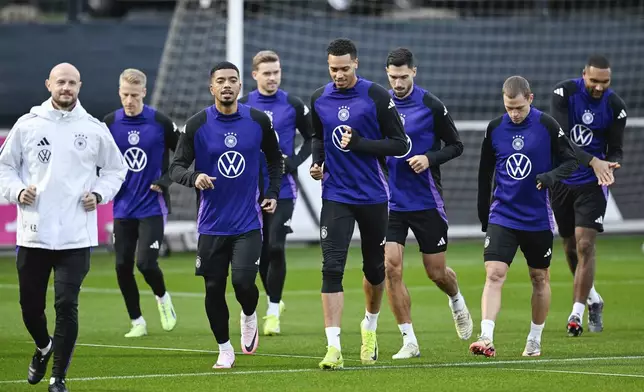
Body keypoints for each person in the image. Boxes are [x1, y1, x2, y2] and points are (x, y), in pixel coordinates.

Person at [0, 63, 127, 392]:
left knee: (66, 304)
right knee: (30, 307)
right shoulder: (28, 125)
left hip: (75, 235)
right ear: (49, 85)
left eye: (71, 82)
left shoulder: (94, 128)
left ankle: (58, 378)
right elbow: (5, 167)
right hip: (34, 232)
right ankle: (44, 347)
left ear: (79, 86)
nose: (66, 87)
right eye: (60, 82)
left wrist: (99, 194)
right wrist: (16, 191)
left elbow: (116, 169)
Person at [169, 61, 283, 369]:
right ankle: (224, 348)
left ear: (240, 86)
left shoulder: (258, 121)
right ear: (212, 87)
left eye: (232, 80)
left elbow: (275, 161)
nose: (227, 85)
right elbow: (175, 168)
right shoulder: (196, 124)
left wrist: (271, 193)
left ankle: (248, 315)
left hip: (248, 223)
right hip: (211, 225)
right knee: (213, 288)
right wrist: (194, 178)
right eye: (221, 81)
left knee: (244, 283)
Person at [309, 38, 408, 369]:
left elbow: (400, 144)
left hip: (373, 195)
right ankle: (333, 347)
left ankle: (370, 327)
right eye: (333, 69)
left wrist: (361, 143)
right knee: (331, 266)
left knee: (374, 269)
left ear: (357, 64)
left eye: (344, 69)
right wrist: (318, 162)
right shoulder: (320, 99)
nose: (338, 75)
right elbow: (319, 136)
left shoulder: (376, 96)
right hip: (336, 194)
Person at [471, 76, 578, 358]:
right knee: (494, 274)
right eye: (509, 108)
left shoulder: (546, 125)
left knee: (539, 278)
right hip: (503, 214)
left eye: (518, 107)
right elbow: (485, 174)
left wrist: (550, 177)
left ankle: (534, 338)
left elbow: (570, 160)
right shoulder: (494, 129)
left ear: (530, 99)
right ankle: (486, 336)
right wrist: (485, 215)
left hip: (537, 218)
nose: (514, 114)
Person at [383, 47, 472, 359]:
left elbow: (457, 145)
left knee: (436, 272)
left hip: (425, 200)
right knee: (391, 267)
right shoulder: (380, 105)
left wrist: (428, 157)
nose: (398, 82)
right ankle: (409, 340)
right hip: (391, 202)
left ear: (414, 72)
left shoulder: (431, 105)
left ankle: (456, 298)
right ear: (387, 74)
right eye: (393, 77)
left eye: (403, 76)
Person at [549, 54, 626, 336]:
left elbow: (616, 148)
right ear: (584, 75)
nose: (599, 87)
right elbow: (562, 139)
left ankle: (576, 314)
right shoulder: (564, 93)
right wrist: (594, 160)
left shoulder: (616, 106)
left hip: (592, 185)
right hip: (562, 180)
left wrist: (610, 163)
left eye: (604, 82)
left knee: (585, 246)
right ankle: (594, 299)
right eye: (594, 80)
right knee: (569, 247)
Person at [238, 50, 313, 336]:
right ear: (255, 75)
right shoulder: (243, 106)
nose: (272, 78)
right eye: (267, 73)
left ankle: (272, 311)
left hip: (282, 188)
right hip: (250, 189)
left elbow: (313, 138)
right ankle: (274, 300)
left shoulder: (292, 104)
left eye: (276, 72)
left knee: (275, 246)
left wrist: (293, 162)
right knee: (260, 249)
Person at [103, 68, 179, 338]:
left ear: (144, 93)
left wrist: (166, 180)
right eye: (125, 94)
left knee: (145, 263)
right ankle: (137, 321)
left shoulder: (159, 121)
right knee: (122, 265)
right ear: (119, 92)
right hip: (123, 207)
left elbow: (183, 154)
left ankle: (162, 298)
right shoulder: (110, 123)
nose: (129, 100)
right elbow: (98, 160)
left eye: (134, 95)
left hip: (152, 206)